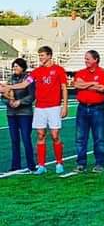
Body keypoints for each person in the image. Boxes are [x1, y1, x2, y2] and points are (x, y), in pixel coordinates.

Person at [1, 46, 68, 174]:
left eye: (42, 55)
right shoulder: (37, 71)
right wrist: (9, 86)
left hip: (54, 107)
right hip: (40, 108)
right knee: (40, 134)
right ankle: (41, 165)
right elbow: (24, 84)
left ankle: (59, 162)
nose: (40, 58)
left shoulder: (58, 70)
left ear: (49, 55)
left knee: (55, 135)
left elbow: (64, 88)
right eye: (39, 56)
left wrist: (64, 106)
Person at [72, 49, 104, 172]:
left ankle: (99, 163)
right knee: (80, 137)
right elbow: (77, 85)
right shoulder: (80, 72)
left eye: (88, 58)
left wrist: (85, 84)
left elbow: (102, 88)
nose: (86, 61)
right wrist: (93, 83)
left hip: (97, 108)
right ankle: (81, 163)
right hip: (82, 107)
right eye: (85, 58)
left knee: (98, 137)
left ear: (96, 60)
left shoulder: (103, 73)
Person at [3, 58, 36, 173]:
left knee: (26, 138)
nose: (14, 68)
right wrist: (9, 101)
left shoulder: (28, 79)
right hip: (11, 113)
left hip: (25, 113)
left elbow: (32, 96)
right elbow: (4, 95)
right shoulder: (10, 79)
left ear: (23, 67)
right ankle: (15, 165)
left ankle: (31, 164)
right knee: (14, 139)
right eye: (13, 67)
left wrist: (20, 102)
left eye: (17, 66)